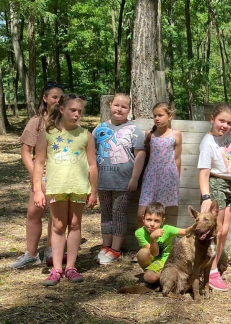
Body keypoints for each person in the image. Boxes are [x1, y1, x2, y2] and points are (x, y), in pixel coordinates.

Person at [33, 94, 98, 286]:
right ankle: (56, 269)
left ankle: (71, 266)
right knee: (59, 226)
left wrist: (93, 191)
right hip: (56, 186)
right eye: (73, 110)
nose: (77, 114)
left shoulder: (86, 135)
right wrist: (37, 190)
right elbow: (39, 163)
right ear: (62, 110)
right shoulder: (47, 134)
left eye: (79, 111)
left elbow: (92, 165)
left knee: (75, 224)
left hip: (78, 187)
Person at [11, 82, 64, 269]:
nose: (57, 101)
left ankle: (52, 251)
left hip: (61, 174)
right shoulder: (36, 122)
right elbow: (26, 151)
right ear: (45, 98)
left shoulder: (66, 121)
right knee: (34, 212)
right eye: (54, 97)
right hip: (41, 175)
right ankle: (31, 254)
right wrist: (37, 176)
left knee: (55, 214)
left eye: (60, 98)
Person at [93, 93, 146, 265]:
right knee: (106, 214)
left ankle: (115, 250)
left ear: (129, 110)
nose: (119, 109)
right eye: (116, 105)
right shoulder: (99, 129)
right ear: (110, 106)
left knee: (119, 214)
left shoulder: (134, 130)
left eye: (124, 107)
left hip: (124, 182)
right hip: (103, 181)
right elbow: (91, 155)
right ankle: (106, 246)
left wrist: (134, 178)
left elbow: (140, 155)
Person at [197, 102, 231, 292]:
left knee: (224, 230)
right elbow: (203, 174)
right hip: (217, 184)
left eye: (228, 122)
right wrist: (206, 196)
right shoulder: (207, 142)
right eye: (221, 121)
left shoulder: (230, 135)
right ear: (212, 119)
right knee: (217, 230)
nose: (224, 125)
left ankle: (213, 265)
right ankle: (211, 269)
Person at [137, 102, 182, 226]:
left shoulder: (176, 134)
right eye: (155, 115)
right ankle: (144, 244)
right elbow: (146, 156)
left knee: (158, 216)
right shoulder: (149, 134)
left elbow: (177, 158)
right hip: (150, 177)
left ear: (170, 116)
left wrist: (176, 180)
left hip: (167, 178)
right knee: (141, 214)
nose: (157, 118)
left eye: (160, 115)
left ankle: (157, 244)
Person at [135, 202, 193, 284]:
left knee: (148, 277)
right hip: (153, 258)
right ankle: (153, 272)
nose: (152, 224)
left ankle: (162, 275)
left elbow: (185, 231)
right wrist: (153, 238)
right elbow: (154, 254)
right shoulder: (139, 233)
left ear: (163, 221)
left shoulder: (167, 229)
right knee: (142, 253)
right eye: (149, 219)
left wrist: (196, 225)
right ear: (143, 218)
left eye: (157, 221)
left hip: (165, 260)